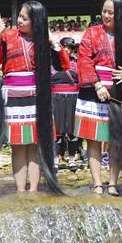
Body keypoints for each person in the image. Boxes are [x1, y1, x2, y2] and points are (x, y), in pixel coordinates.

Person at [0, 1, 68, 192]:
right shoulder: (7, 36)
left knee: (34, 145)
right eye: (20, 16)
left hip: (37, 96)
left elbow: (63, 66)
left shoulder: (43, 40)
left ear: (37, 21)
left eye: (25, 18)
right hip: (14, 95)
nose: (19, 20)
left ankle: (33, 190)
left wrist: (53, 41)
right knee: (18, 145)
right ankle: (20, 190)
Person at [74, 0, 122, 196]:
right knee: (93, 140)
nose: (106, 15)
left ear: (120, 13)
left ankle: (112, 183)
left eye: (111, 12)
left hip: (118, 92)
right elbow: (84, 60)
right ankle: (96, 182)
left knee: (116, 139)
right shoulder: (91, 33)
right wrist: (96, 84)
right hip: (93, 92)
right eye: (104, 11)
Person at [52, 37, 81, 166]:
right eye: (65, 47)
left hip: (74, 99)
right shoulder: (52, 63)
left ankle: (72, 157)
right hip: (55, 98)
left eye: (70, 48)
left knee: (72, 130)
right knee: (57, 130)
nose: (67, 50)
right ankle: (56, 158)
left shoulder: (77, 63)